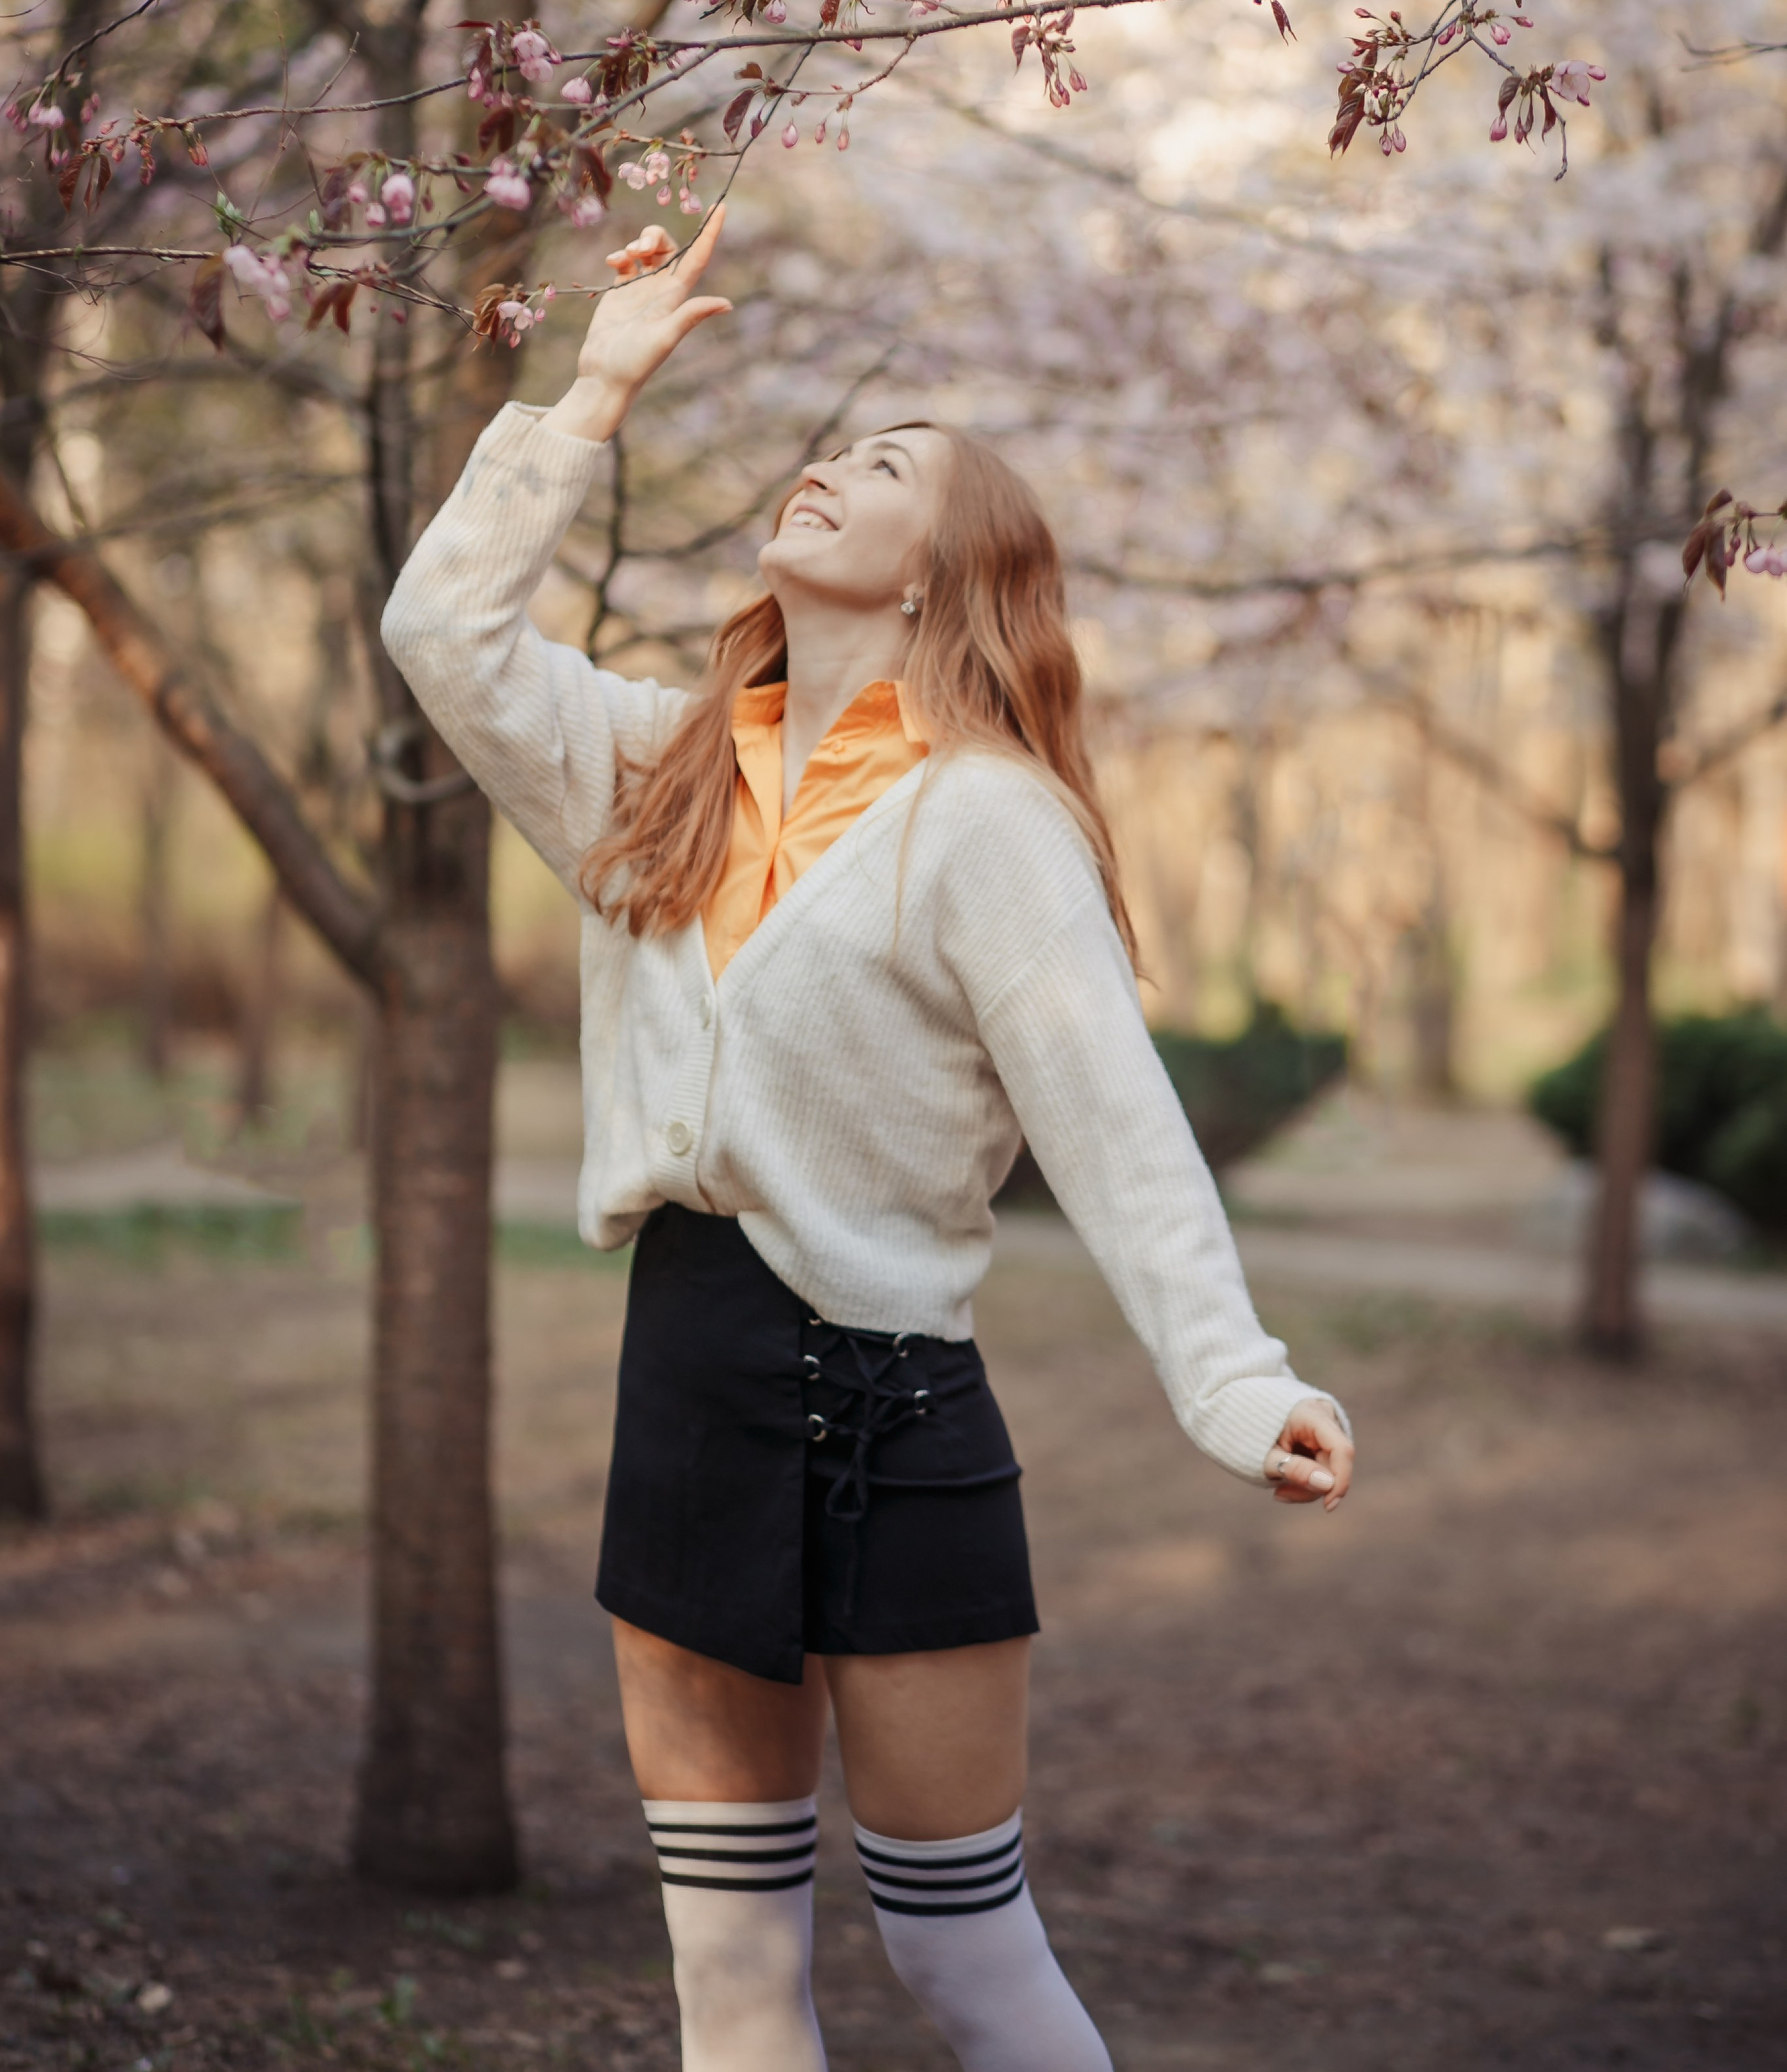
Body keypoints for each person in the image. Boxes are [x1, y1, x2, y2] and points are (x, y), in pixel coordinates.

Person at [381, 203, 1354, 2072]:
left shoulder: (990, 823)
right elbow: (444, 627)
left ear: (943, 573)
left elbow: (1118, 1131)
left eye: (887, 466)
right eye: (837, 448)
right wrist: (593, 387)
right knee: (730, 1977)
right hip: (686, 1380)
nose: (831, 468)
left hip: (897, 1411)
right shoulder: (656, 759)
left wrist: (1239, 1385)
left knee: (960, 1956)